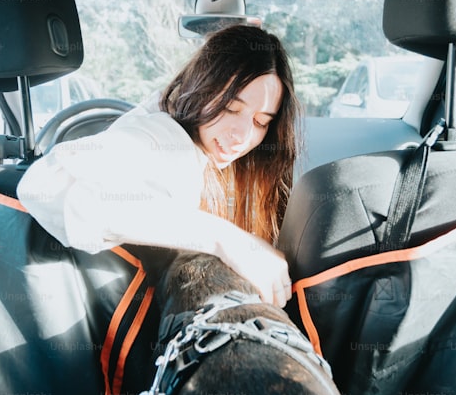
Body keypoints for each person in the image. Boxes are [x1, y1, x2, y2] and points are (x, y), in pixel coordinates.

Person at [17, 25, 299, 306]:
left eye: (261, 121)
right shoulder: (163, 137)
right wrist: (224, 238)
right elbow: (50, 185)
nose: (242, 136)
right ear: (203, 87)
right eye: (230, 108)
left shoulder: (212, 147)